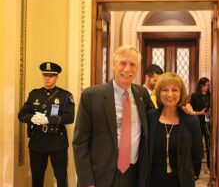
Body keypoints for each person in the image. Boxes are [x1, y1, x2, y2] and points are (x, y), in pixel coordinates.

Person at [73, 45, 152, 187]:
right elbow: (80, 143)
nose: (127, 69)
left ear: (138, 69)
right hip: (100, 175)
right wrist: (87, 181)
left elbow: (156, 119)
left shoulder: (143, 95)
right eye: (123, 63)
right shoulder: (91, 96)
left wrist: (182, 109)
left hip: (134, 173)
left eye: (132, 64)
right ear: (114, 65)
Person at [18, 62, 75, 187]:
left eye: (51, 75)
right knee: (37, 177)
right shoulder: (34, 94)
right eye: (45, 75)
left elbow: (69, 117)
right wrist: (33, 118)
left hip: (57, 141)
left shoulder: (65, 95)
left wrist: (48, 120)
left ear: (56, 77)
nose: (47, 78)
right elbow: (21, 115)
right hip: (37, 141)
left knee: (60, 177)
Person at [147, 72, 203, 187]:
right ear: (158, 92)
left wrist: (190, 175)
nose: (170, 94)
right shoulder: (150, 117)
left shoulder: (191, 121)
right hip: (152, 181)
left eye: (175, 90)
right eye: (165, 90)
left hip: (181, 182)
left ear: (181, 93)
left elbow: (197, 155)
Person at [190, 77, 211, 176]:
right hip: (198, 124)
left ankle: (210, 168)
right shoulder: (194, 96)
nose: (207, 87)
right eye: (205, 85)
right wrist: (201, 113)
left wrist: (209, 113)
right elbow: (191, 112)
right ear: (200, 85)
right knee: (197, 147)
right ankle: (195, 170)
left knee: (209, 146)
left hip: (208, 124)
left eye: (208, 85)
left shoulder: (211, 96)